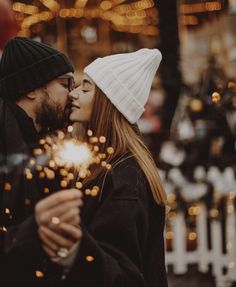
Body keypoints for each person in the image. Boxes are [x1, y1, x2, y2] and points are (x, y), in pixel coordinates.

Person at [38, 49, 168, 286]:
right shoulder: (102, 164)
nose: (73, 94)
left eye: (86, 88)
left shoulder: (125, 178)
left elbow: (123, 275)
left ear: (109, 101)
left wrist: (74, 248)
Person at [0, 37, 83, 286]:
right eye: (65, 84)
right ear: (31, 88)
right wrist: (36, 233)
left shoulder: (42, 139)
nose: (72, 94)